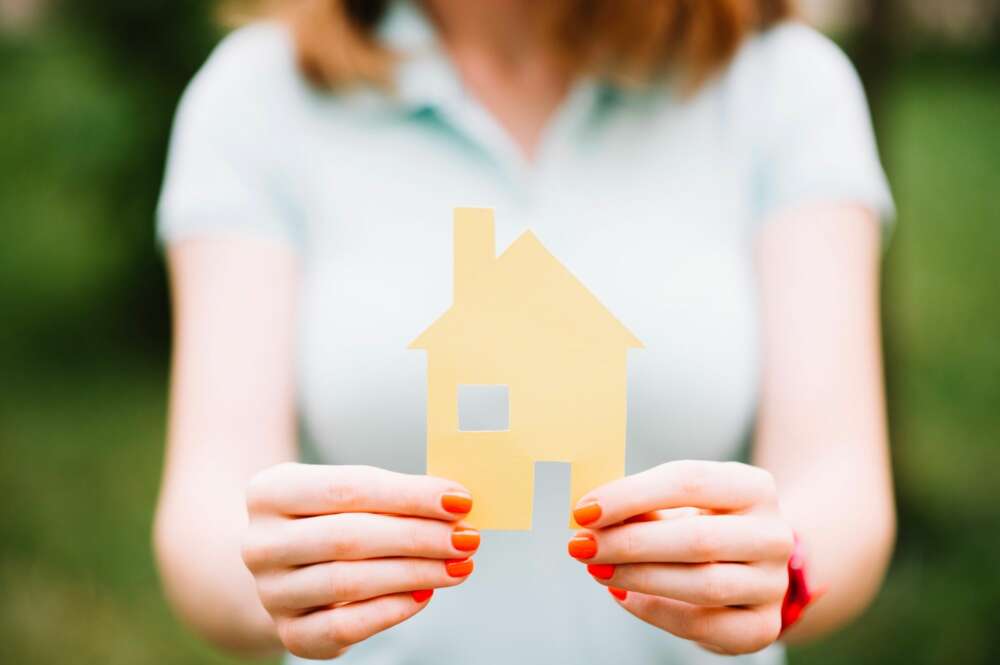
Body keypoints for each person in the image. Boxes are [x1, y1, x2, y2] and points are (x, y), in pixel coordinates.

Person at [153, 1, 896, 663]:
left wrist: (782, 574)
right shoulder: (256, 97)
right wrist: (274, 578)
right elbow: (208, 511)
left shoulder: (783, 86)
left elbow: (840, 484)